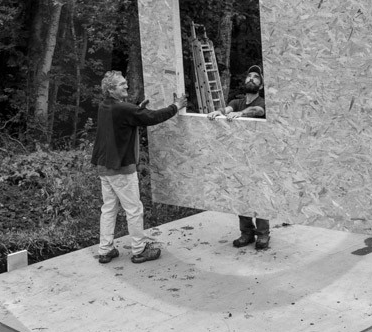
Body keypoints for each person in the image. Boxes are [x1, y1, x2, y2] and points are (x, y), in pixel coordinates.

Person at [91, 70, 185, 265]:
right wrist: (176, 106)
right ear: (110, 90)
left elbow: (127, 119)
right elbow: (152, 117)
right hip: (121, 168)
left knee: (109, 209)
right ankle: (139, 250)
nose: (126, 86)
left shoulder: (105, 106)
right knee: (134, 209)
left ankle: (105, 250)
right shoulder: (123, 109)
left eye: (126, 82)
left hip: (104, 167)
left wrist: (136, 110)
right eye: (121, 84)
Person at [208, 64, 269, 250]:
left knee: (259, 197)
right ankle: (246, 233)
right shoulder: (237, 102)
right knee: (240, 195)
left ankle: (263, 235)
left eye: (256, 77)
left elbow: (258, 112)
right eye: (249, 76)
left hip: (258, 158)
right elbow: (227, 109)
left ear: (261, 85)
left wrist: (241, 114)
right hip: (238, 157)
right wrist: (218, 113)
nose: (251, 79)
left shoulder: (262, 103)